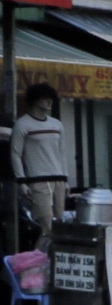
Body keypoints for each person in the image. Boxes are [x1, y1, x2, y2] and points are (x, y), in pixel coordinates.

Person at [11, 83, 66, 236]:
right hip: (37, 180)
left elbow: (62, 152)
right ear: (34, 100)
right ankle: (36, 258)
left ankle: (47, 258)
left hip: (58, 180)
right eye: (44, 98)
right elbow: (15, 154)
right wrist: (21, 181)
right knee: (47, 228)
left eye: (51, 98)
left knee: (58, 226)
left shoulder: (56, 124)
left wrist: (65, 179)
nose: (49, 101)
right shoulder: (23, 125)